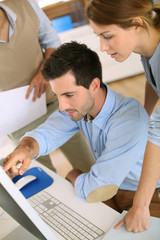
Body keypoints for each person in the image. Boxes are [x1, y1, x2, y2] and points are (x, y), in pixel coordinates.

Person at [3, 42, 152, 211]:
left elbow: (96, 188)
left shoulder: (129, 122)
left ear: (94, 85)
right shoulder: (81, 107)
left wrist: (74, 175)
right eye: (58, 95)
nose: (62, 106)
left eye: (69, 95)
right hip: (115, 189)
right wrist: (25, 149)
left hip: (147, 196)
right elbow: (47, 133)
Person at [86, 0, 160, 232]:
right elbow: (153, 81)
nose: (102, 47)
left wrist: (140, 205)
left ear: (137, 24)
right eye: (98, 36)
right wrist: (145, 116)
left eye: (107, 36)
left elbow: (158, 136)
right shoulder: (148, 49)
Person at [0, 0, 94, 173]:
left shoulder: (26, 4)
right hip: (17, 121)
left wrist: (44, 70)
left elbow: (52, 42)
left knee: (87, 164)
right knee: (41, 177)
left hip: (53, 103)